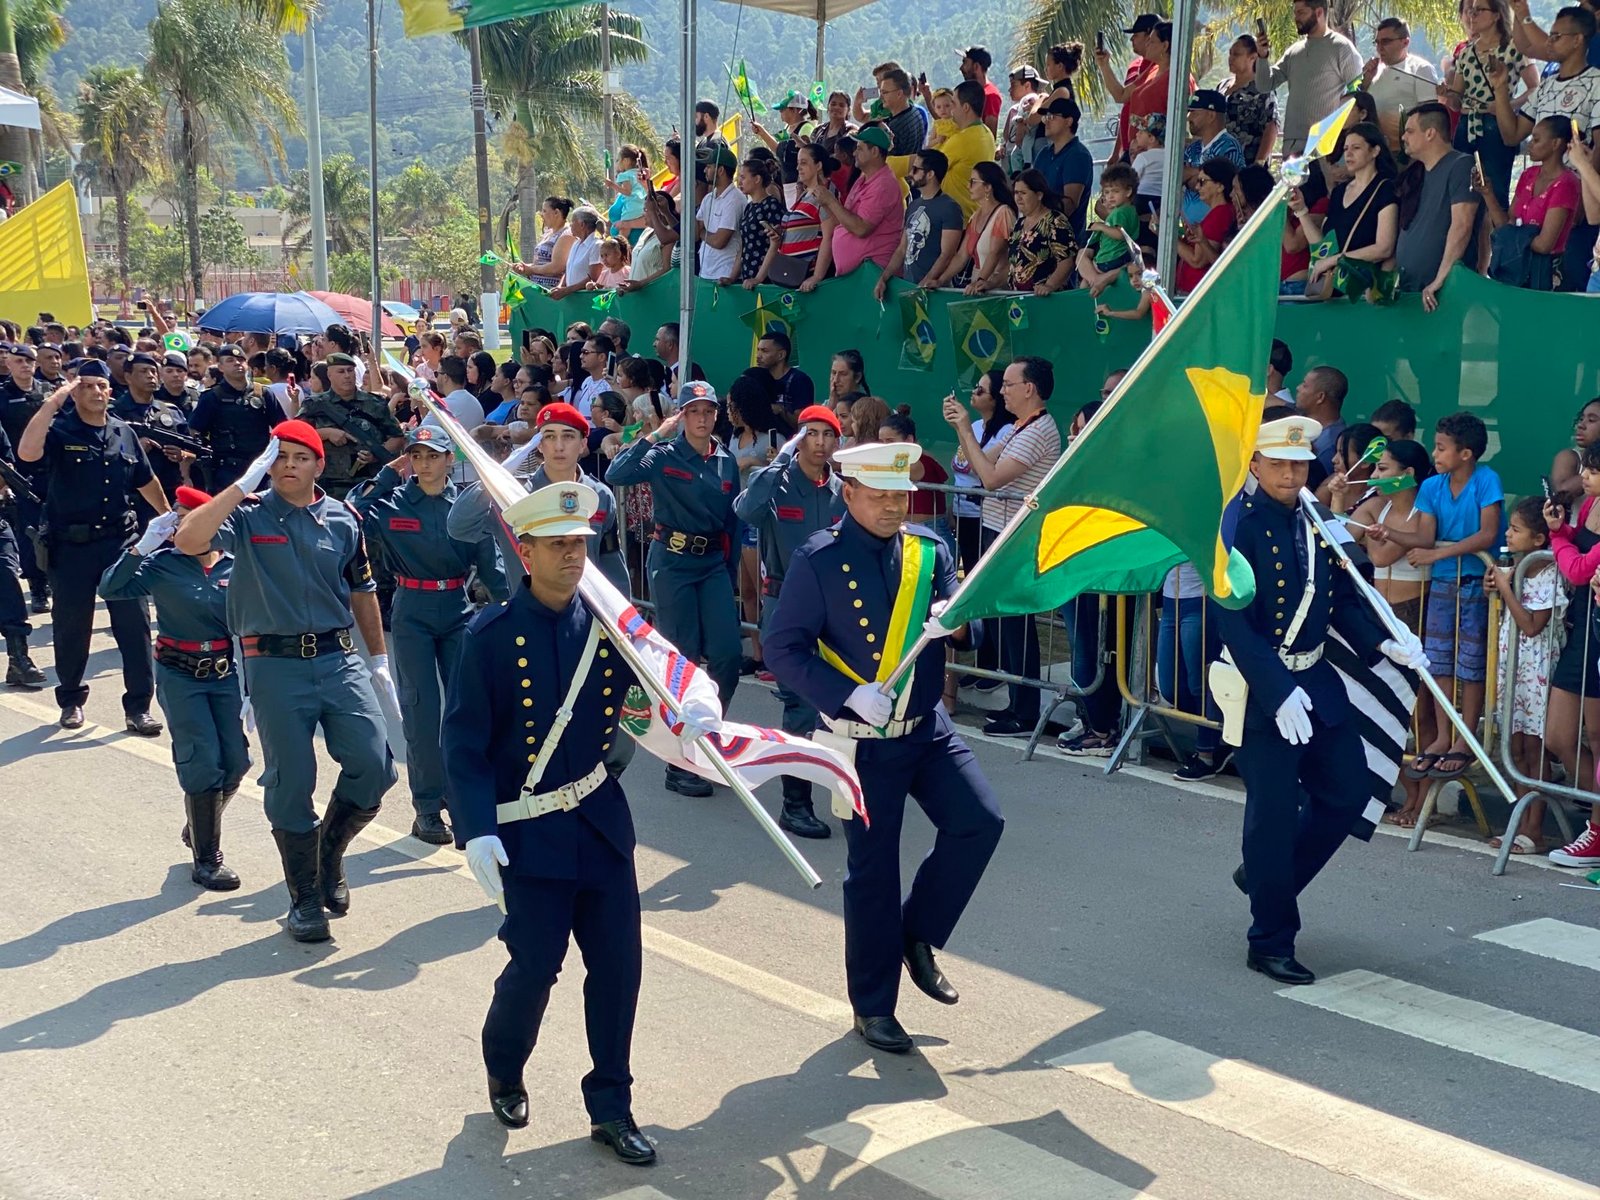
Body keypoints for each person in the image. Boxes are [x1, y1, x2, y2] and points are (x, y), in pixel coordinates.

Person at [440, 482, 656, 1165]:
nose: (573, 555)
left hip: (597, 819)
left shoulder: (610, 627)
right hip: (528, 833)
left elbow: (656, 694)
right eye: (558, 544)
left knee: (619, 969)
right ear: (524, 552)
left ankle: (612, 1105)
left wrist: (693, 711)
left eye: (580, 544)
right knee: (535, 967)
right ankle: (505, 1066)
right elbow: (464, 743)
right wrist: (475, 828)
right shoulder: (492, 637)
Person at [765, 440, 1003, 1053]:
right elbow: (782, 649)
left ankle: (917, 933)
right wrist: (845, 694)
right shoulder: (819, 561)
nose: (894, 506)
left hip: (926, 727)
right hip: (865, 739)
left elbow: (965, 627)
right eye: (880, 496)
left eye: (901, 494)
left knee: (980, 822)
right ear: (849, 494)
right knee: (873, 873)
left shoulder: (931, 550)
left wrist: (959, 620)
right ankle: (872, 1006)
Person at [173, 421, 400, 943]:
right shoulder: (248, 516)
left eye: (301, 457)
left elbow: (362, 590)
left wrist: (380, 661)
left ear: (320, 465)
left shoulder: (343, 518)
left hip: (338, 657)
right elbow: (189, 538)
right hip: (275, 665)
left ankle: (329, 857)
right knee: (292, 781)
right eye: (280, 457)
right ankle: (304, 900)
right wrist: (240, 484)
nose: (289, 465)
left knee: (374, 766)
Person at [1216, 414, 1421, 986]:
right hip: (1266, 692)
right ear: (1255, 465)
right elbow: (1233, 623)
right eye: (1277, 463)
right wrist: (1276, 692)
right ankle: (1270, 939)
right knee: (1273, 820)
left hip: (1319, 684)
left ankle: (1264, 878)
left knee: (1347, 795)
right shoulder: (1239, 527)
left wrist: (1385, 641)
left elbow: (1344, 602)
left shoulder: (1320, 522)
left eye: (1297, 463)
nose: (1288, 473)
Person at [349, 427, 507, 846]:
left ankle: (463, 800)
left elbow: (490, 564)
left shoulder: (466, 505)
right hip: (412, 612)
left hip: (457, 609)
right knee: (420, 713)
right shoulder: (394, 502)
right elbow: (352, 509)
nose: (423, 463)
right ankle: (427, 808)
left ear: (449, 459)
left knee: (463, 711)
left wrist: (513, 609)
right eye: (416, 456)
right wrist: (387, 472)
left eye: (432, 456)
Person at [98, 485, 250, 890]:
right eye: (175, 519)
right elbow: (111, 588)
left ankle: (201, 824)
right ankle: (207, 858)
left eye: (187, 519)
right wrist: (141, 546)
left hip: (225, 673)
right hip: (179, 673)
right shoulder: (163, 564)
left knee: (236, 763)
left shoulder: (236, 565)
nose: (178, 527)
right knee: (202, 761)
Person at [606, 381, 740, 798]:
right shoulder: (663, 455)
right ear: (681, 415)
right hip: (673, 563)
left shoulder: (725, 460)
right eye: (693, 411)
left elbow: (732, 522)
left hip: (712, 565)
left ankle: (706, 736)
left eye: (708, 411)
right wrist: (656, 433)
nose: (702, 418)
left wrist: (730, 573)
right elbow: (616, 473)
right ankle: (679, 760)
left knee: (727, 656)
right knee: (681, 661)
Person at [16, 365, 168, 732]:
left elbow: (146, 481)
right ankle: (70, 699)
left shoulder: (124, 433)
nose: (97, 392)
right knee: (72, 627)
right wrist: (54, 400)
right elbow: (26, 452)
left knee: (134, 627)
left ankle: (138, 707)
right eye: (87, 387)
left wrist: (169, 520)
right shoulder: (59, 431)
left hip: (120, 544)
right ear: (74, 392)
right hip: (72, 548)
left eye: (102, 386)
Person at [1367, 411, 1504, 783]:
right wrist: (1391, 534)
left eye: (1442, 447)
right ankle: (1444, 736)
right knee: (1439, 662)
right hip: (1444, 584)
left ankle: (1464, 737)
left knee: (1471, 663)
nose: (1436, 453)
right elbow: (1424, 537)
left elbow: (1487, 535)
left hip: (1475, 582)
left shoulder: (1487, 479)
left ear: (1466, 453)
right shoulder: (1432, 487)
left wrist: (1437, 555)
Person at [734, 404, 846, 837]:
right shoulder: (776, 486)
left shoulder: (842, 490)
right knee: (800, 705)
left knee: (840, 706)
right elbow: (746, 511)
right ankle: (794, 804)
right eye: (811, 434)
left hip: (836, 611)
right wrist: (780, 460)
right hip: (788, 607)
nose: (820, 442)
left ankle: (842, 790)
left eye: (827, 434)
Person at [942, 357, 1061, 738]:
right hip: (999, 530)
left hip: (1017, 537)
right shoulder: (1017, 427)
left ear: (1029, 389)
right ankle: (1017, 704)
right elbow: (976, 463)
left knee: (1018, 625)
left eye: (1008, 384)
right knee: (1008, 624)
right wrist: (964, 432)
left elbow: (990, 478)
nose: (1002, 390)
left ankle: (1025, 712)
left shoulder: (1038, 431)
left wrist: (965, 428)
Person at [1484, 496, 1563, 854]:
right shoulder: (1515, 567)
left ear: (1538, 540)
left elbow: (1532, 625)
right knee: (1513, 745)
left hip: (1538, 668)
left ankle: (1534, 828)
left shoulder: (1548, 573)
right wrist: (1496, 587)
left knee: (1535, 748)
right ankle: (1518, 817)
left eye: (1516, 530)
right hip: (1512, 665)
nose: (1508, 534)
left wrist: (1503, 587)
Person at [1544, 443, 1600, 867]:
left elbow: (1579, 569)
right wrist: (1562, 532)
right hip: (1582, 626)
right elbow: (1575, 559)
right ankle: (1590, 814)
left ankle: (1595, 833)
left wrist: (1557, 541)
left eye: (1593, 471)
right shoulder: (1588, 506)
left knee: (1599, 739)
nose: (1585, 477)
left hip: (1596, 631)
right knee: (1559, 736)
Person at [1440, 0, 1537, 208]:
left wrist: (1508, 105)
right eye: (1471, 11)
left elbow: (1535, 88)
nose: (1472, 16)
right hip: (1466, 125)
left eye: (1479, 11)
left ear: (1497, 15)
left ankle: (1494, 238)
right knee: (1462, 192)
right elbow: (1457, 100)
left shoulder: (1514, 48)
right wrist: (1448, 94)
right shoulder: (1466, 52)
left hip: (1497, 125)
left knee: (1496, 191)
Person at [1290, 122, 1400, 298]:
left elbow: (1384, 248)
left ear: (1375, 151)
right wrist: (1301, 211)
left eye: (1356, 148)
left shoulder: (1385, 189)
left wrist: (1335, 260)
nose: (1348, 153)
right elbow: (1323, 247)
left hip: (1363, 291)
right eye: (1346, 148)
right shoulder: (1339, 191)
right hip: (1333, 288)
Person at [1395, 103, 1482, 309]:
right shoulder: (1417, 173)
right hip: (1411, 289)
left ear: (1430, 133)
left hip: (1442, 293)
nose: (1403, 137)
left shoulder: (1461, 164)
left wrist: (1440, 279)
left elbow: (1462, 225)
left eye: (1409, 131)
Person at [1478, 114, 1581, 287]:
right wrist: (1488, 194)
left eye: (1536, 139)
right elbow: (1504, 225)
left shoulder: (1567, 183)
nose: (1530, 144)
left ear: (1556, 144)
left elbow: (1544, 245)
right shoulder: (1528, 175)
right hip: (1516, 267)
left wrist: (1511, 235)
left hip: (1542, 272)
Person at [1254, 0, 1365, 154]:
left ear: (1319, 12)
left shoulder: (1341, 48)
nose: (1296, 18)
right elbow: (1265, 84)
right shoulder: (1293, 52)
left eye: (1301, 12)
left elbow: (1358, 95)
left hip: (1324, 146)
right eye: (1295, 13)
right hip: (1291, 146)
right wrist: (1262, 56)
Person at [298, 352, 407, 500]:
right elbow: (296, 435)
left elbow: (397, 437)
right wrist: (326, 433)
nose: (347, 375)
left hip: (369, 483)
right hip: (328, 484)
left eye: (350, 371)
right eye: (341, 371)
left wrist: (375, 454)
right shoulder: (315, 405)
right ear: (330, 375)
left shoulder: (374, 403)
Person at [188, 343, 288, 491]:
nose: (237, 363)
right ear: (220, 367)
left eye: (240, 360)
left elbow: (282, 428)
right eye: (230, 360)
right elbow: (194, 430)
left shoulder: (263, 394)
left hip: (260, 468)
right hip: (226, 471)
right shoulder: (212, 397)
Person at [113, 351, 195, 528]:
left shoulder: (170, 411)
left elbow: (193, 450)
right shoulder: (114, 412)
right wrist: (134, 448)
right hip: (130, 496)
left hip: (169, 492)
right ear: (128, 377)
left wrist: (182, 455)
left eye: (153, 371)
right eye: (143, 371)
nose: (150, 376)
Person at [815, 125, 905, 278]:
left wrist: (831, 201)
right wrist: (826, 203)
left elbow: (861, 229)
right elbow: (844, 220)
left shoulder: (883, 185)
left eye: (860, 148)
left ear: (875, 151)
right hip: (859, 274)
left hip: (873, 274)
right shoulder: (864, 178)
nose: (854, 153)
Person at [874, 149, 964, 299]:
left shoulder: (950, 207)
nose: (910, 173)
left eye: (916, 169)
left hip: (934, 292)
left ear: (930, 174)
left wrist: (925, 282)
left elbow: (947, 254)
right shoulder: (914, 205)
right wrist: (884, 278)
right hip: (911, 287)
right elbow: (902, 249)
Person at [927, 161, 1016, 291]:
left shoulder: (1003, 213)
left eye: (973, 182)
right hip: (978, 287)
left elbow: (995, 253)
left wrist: (981, 281)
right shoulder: (975, 216)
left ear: (988, 187)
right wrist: (940, 280)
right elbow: (962, 255)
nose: (968, 186)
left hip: (996, 288)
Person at [1362, 18, 1442, 152]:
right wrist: (1366, 79)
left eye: (1386, 41)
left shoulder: (1420, 68)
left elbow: (1430, 117)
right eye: (1377, 42)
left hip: (1407, 152)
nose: (1380, 47)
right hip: (1374, 151)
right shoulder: (1374, 71)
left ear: (1405, 42)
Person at [930, 81, 1000, 221]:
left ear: (966, 107)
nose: (950, 110)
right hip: (972, 214)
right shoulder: (986, 133)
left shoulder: (961, 140)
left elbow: (929, 167)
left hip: (956, 218)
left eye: (953, 104)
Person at [1002, 169, 1078, 296]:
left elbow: (1067, 260)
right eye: (1016, 193)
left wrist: (1049, 285)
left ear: (1039, 195)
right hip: (1019, 301)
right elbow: (1013, 265)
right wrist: (989, 282)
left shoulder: (1055, 221)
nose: (1018, 198)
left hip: (1047, 300)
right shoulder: (1019, 224)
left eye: (1023, 193)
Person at [1030, 97, 1095, 239]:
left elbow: (1069, 204)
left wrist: (1037, 215)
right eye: (1046, 117)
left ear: (1069, 121)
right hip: (1037, 232)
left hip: (1064, 240)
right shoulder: (1044, 154)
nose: (1046, 121)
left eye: (1052, 116)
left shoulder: (1078, 155)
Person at [1182, 91, 1248, 226]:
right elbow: (1179, 177)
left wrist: (1193, 174)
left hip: (1217, 229)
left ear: (1211, 115)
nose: (1189, 118)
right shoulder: (1192, 149)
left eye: (1194, 112)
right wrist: (1204, 177)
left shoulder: (1229, 146)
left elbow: (1225, 186)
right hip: (1190, 230)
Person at [1076, 163, 1143, 296]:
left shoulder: (1120, 213)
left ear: (1128, 192)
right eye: (1107, 192)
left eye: (1115, 191)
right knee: (1085, 281)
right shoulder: (1130, 210)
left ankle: (1083, 302)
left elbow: (1120, 234)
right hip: (1120, 256)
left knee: (1086, 282)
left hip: (1111, 258)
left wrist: (1101, 226)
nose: (1110, 196)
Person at [1174, 159, 1240, 294]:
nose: (1197, 187)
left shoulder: (1221, 213)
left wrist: (1169, 237)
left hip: (1196, 294)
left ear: (1220, 186)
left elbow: (1197, 260)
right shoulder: (1221, 212)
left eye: (1202, 182)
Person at [726, 157, 786, 286]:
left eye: (743, 177)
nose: (739, 181)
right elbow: (743, 246)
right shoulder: (749, 207)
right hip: (748, 277)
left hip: (766, 279)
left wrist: (759, 278)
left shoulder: (771, 205)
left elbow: (775, 245)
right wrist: (732, 278)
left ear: (757, 179)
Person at [1221, 35, 1280, 163]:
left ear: (1253, 57)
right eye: (1230, 54)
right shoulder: (1222, 86)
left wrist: (1258, 164)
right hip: (1218, 164)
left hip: (1246, 165)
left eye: (1236, 54)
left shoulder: (1263, 89)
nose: (1230, 59)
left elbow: (1271, 127)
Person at [694, 144, 746, 282]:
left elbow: (719, 241)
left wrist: (702, 233)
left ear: (721, 170)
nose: (705, 170)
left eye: (709, 166)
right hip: (705, 273)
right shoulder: (708, 198)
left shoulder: (735, 199)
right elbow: (694, 234)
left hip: (724, 275)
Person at [547, 206, 604, 299]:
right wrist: (560, 287)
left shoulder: (596, 245)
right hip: (571, 299)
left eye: (573, 221)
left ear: (582, 225)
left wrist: (566, 290)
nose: (570, 225)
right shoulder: (576, 244)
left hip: (587, 300)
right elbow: (568, 270)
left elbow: (594, 277)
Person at [756, 330, 814, 417]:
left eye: (765, 351)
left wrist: (780, 410)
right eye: (758, 350)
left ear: (781, 355)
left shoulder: (799, 380)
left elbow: (802, 422)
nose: (758, 356)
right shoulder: (757, 379)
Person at [959, 45, 1003, 134]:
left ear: (976, 66)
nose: (961, 68)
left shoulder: (990, 95)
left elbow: (989, 134)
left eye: (965, 63)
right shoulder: (970, 92)